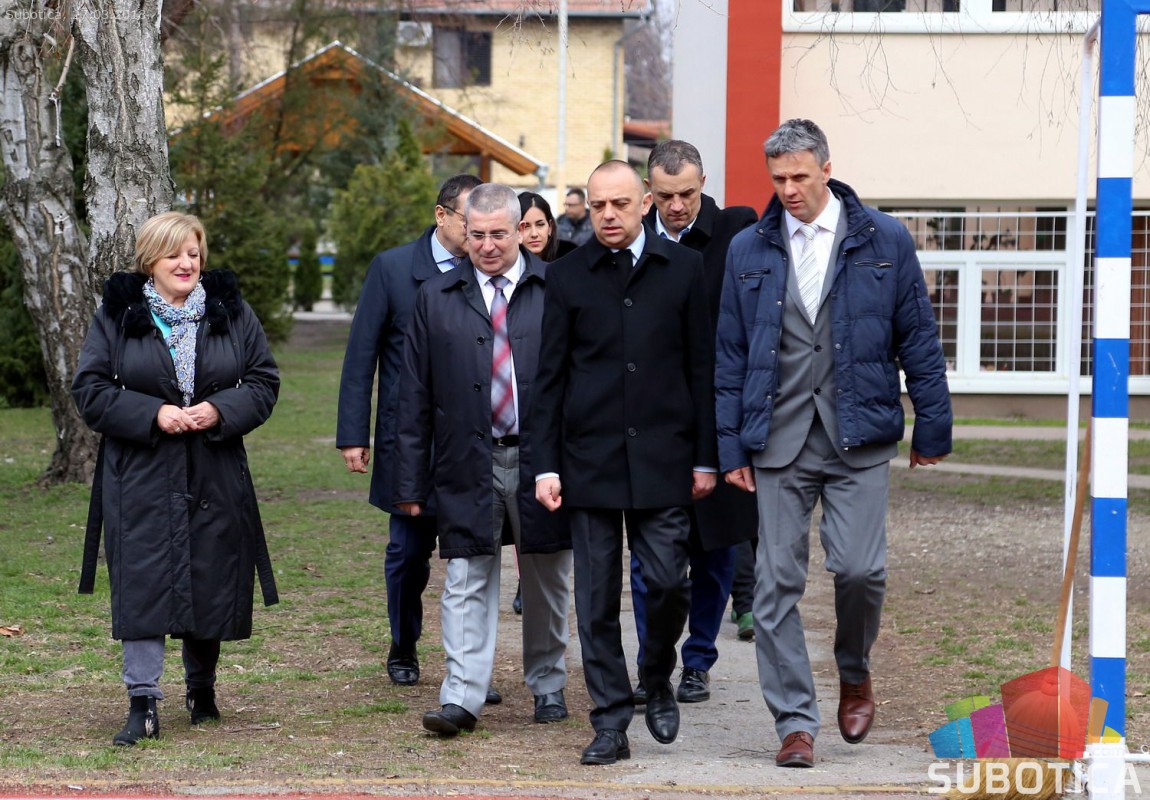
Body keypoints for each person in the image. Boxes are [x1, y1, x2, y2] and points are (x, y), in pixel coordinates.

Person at [714, 119, 952, 769]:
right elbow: (730, 353)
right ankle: (795, 721)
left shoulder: (884, 239)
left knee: (860, 570)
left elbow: (918, 337)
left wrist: (932, 425)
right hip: (778, 438)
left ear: (826, 168)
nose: (789, 189)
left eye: (799, 176)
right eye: (778, 179)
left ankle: (853, 667)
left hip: (860, 433)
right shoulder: (748, 249)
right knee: (774, 586)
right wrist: (731, 447)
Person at [533, 160, 717, 766]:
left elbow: (702, 368)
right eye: (598, 205)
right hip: (588, 461)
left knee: (666, 582)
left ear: (645, 204)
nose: (608, 214)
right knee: (595, 600)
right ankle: (610, 720)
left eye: (619, 203)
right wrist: (545, 465)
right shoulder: (566, 275)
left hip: (666, 458)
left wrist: (706, 457)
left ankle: (656, 676)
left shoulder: (685, 269)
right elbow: (549, 377)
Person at [71, 211, 280, 746]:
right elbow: (90, 390)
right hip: (140, 473)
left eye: (193, 253)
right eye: (174, 254)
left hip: (214, 467)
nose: (186, 263)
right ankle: (142, 702)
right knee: (144, 581)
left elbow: (263, 381)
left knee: (210, 575)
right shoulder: (117, 315)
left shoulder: (231, 312)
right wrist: (152, 414)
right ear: (150, 261)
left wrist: (220, 409)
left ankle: (201, 687)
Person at [395, 183, 573, 736]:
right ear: (462, 232)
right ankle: (462, 695)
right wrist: (410, 480)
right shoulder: (436, 296)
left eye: (499, 234)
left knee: (546, 576)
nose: (488, 246)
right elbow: (413, 394)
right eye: (477, 235)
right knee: (466, 576)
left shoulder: (555, 287)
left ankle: (548, 683)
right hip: (466, 457)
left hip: (542, 458)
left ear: (521, 230)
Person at [337, 175, 498, 698]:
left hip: (473, 440)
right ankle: (403, 644)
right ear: (442, 215)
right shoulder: (393, 269)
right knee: (408, 554)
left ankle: (469, 667)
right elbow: (361, 356)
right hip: (410, 440)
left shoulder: (490, 269)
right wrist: (352, 434)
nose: (479, 234)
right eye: (470, 220)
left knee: (474, 556)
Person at [629, 140, 758, 707]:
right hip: (652, 420)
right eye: (665, 196)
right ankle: (650, 664)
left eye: (686, 193)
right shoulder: (634, 242)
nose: (677, 206)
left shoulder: (737, 233)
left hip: (722, 416)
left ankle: (699, 659)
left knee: (716, 549)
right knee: (649, 558)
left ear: (704, 183)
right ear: (648, 192)